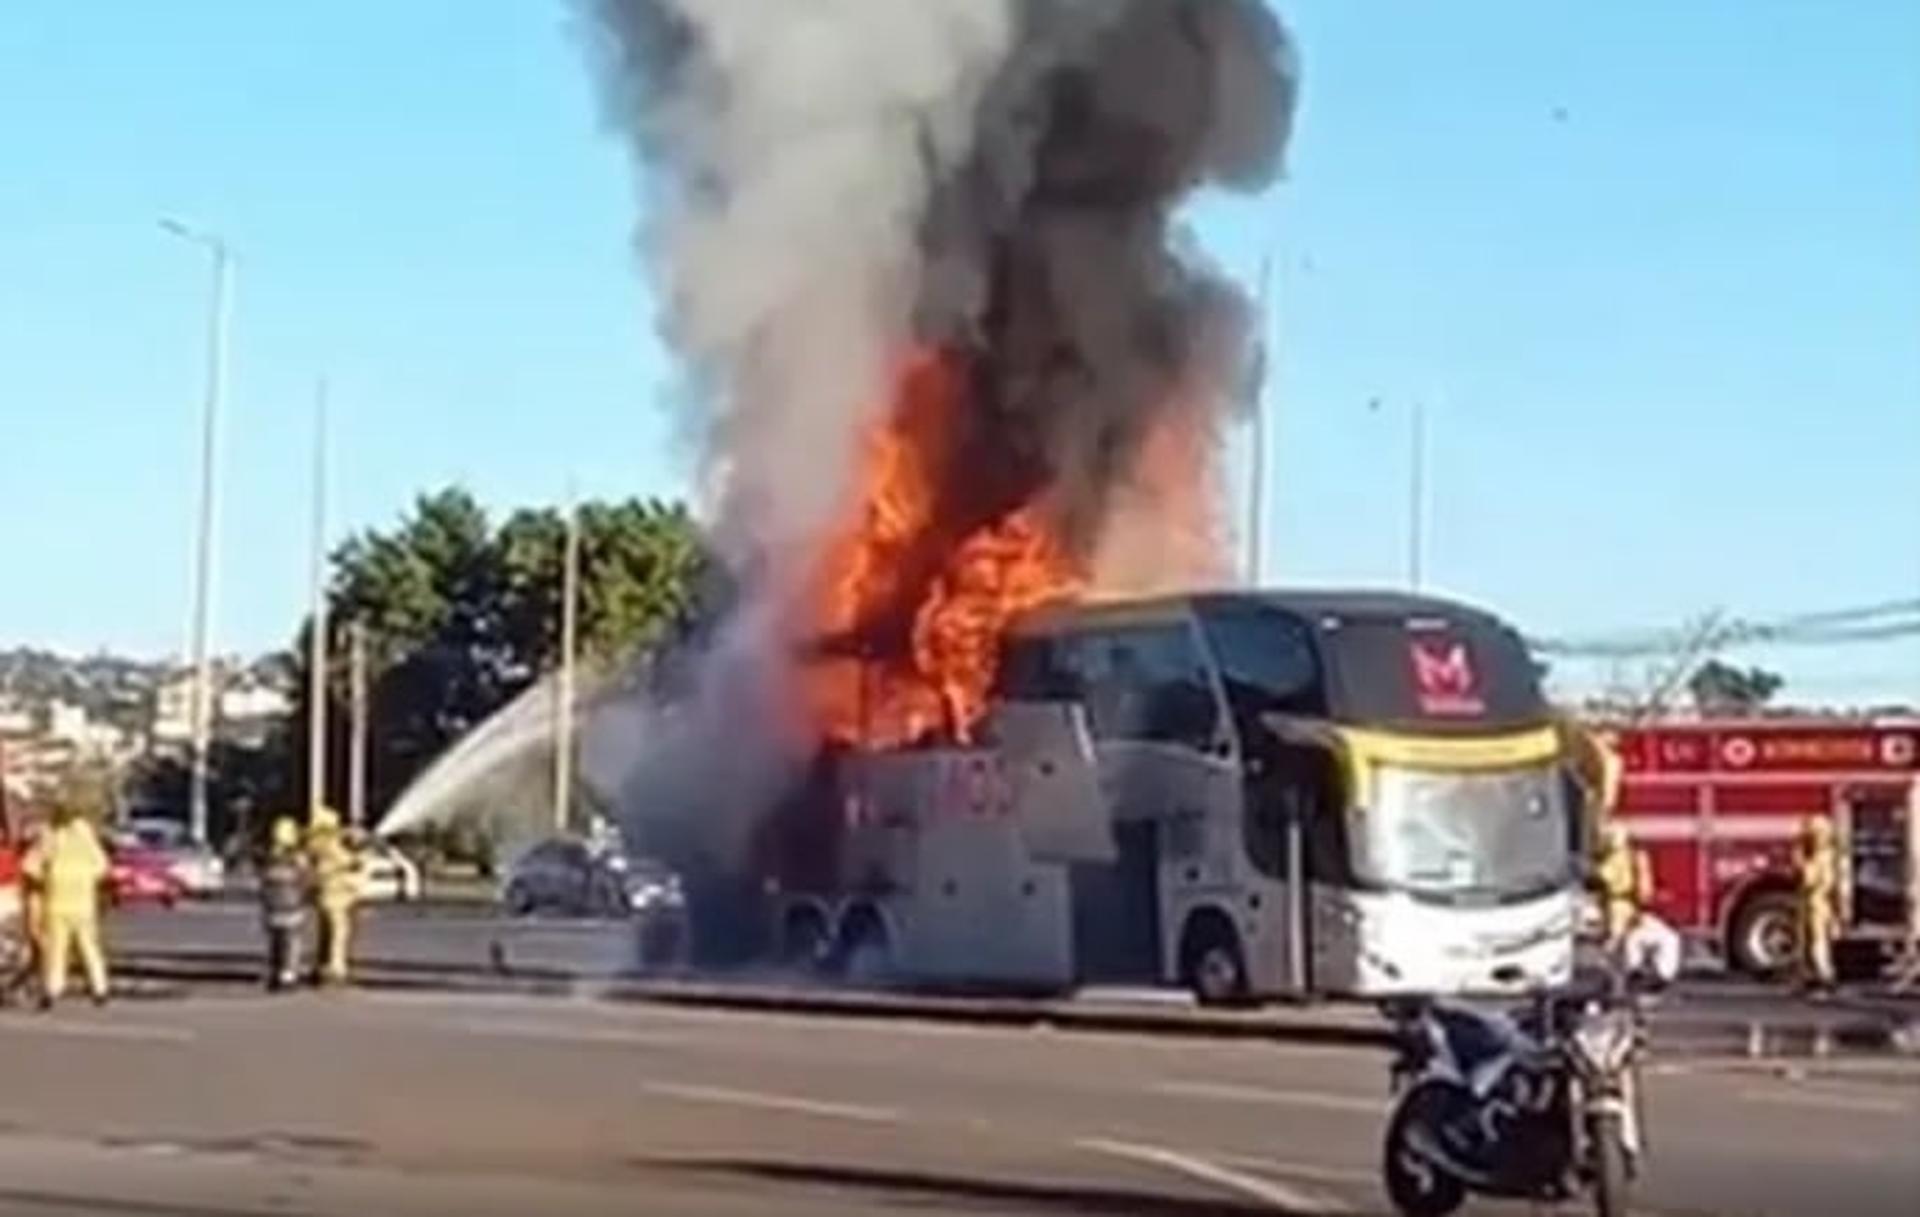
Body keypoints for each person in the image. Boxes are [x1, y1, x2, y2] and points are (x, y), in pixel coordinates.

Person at [21, 805, 111, 1007]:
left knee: (56, 950)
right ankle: (100, 988)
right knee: (89, 946)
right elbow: (102, 868)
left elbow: (30, 867)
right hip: (83, 902)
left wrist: (43, 879)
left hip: (57, 900)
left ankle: (53, 989)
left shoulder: (50, 837)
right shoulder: (87, 839)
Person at [306, 807, 360, 987]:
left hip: (324, 895)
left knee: (325, 933)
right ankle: (336, 968)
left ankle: (321, 965)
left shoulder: (313, 844)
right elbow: (349, 861)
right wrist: (357, 853)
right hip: (337, 895)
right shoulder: (329, 845)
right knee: (338, 934)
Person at [258, 817, 310, 991]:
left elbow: (263, 880)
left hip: (272, 905)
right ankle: (288, 973)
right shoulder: (297, 858)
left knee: (276, 941)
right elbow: (305, 879)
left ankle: (275, 971)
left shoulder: (268, 856)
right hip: (292, 904)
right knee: (291, 941)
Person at [1795, 815, 1840, 994]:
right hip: (1812, 903)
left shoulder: (1823, 856)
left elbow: (1811, 879)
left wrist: (1801, 862)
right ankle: (1809, 976)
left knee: (1817, 943)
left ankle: (1826, 975)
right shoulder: (1824, 853)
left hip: (1817, 903)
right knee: (1807, 942)